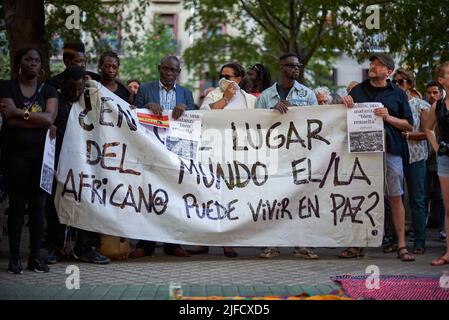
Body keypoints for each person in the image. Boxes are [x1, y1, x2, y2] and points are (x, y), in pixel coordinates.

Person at [341, 53, 415, 262]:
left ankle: (401, 244)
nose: (372, 65)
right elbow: (342, 117)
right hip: (361, 151)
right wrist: (344, 103)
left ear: (388, 71)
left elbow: (409, 125)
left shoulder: (398, 94)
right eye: (372, 62)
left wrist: (388, 117)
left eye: (378, 64)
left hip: (391, 150)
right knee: (358, 197)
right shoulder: (358, 90)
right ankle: (356, 244)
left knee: (395, 195)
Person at [0, 47, 58, 274]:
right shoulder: (6, 87)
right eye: (28, 59)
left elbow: (49, 118)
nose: (33, 63)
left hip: (41, 157)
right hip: (14, 155)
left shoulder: (49, 90)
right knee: (16, 206)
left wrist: (20, 113)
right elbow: (9, 120)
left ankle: (35, 256)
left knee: (39, 206)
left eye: (37, 59)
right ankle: (15, 258)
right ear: (19, 64)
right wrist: (37, 119)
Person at [255, 53, 319, 259]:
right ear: (281, 67)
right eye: (291, 66)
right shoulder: (266, 96)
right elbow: (256, 125)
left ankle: (302, 243)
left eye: (298, 66)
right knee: (273, 199)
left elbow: (317, 122)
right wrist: (270, 112)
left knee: (300, 198)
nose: (296, 69)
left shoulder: (308, 94)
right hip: (274, 156)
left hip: (300, 155)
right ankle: (272, 243)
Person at [45, 66, 110, 265]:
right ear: (62, 85)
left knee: (88, 205)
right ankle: (54, 248)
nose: (75, 93)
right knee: (55, 207)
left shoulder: (89, 102)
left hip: (86, 165)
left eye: (79, 89)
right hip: (59, 162)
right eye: (71, 89)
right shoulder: (55, 102)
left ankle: (86, 248)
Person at [131, 55, 194, 258]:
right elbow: (133, 116)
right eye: (165, 69)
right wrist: (147, 106)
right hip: (150, 152)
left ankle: (173, 244)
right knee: (149, 196)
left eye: (173, 70)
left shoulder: (186, 94)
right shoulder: (145, 90)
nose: (168, 73)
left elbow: (195, 120)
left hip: (176, 155)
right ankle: (146, 244)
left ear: (178, 72)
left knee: (175, 198)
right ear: (159, 68)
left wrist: (186, 109)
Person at [392, 68, 430, 254]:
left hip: (416, 156)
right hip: (396, 155)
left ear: (409, 84)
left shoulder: (421, 105)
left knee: (417, 199)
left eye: (401, 82)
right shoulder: (392, 104)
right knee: (394, 197)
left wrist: (408, 135)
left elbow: (427, 133)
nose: (398, 85)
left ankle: (419, 241)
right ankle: (394, 240)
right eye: (395, 82)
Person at [424, 61, 449, 266]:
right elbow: (428, 128)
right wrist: (436, 147)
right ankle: (448, 253)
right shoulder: (438, 104)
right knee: (448, 207)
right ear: (441, 79)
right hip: (445, 157)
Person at [425, 81, 446, 241]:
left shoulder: (440, 107)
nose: (432, 95)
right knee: (427, 195)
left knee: (439, 196)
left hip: (439, 157)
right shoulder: (433, 107)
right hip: (433, 157)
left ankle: (442, 230)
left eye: (435, 92)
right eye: (429, 92)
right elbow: (427, 129)